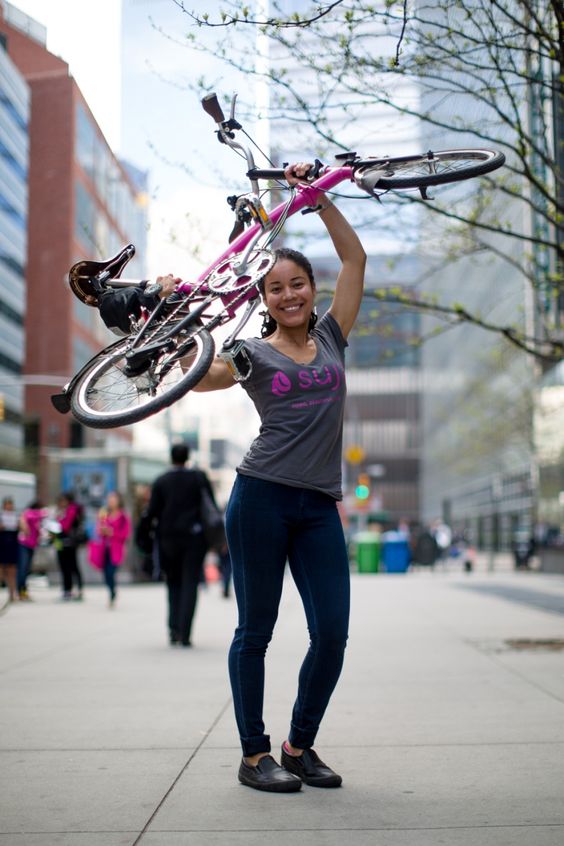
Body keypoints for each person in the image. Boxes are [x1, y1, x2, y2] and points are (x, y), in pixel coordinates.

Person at [188, 162, 367, 792]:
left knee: (333, 634)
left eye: (296, 285)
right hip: (260, 497)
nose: (288, 295)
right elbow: (203, 378)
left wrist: (318, 200)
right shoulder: (253, 352)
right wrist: (185, 336)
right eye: (274, 289)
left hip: (318, 506)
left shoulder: (332, 337)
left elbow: (355, 261)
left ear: (310, 289)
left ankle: (298, 745)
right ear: (262, 300)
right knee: (255, 630)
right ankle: (252, 754)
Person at [147, 443, 216, 647]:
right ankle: (185, 633)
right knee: (190, 583)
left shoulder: (161, 481)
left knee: (173, 583)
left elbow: (152, 512)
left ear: (171, 458)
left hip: (168, 538)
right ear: (188, 457)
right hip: (194, 538)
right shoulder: (198, 477)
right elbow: (210, 506)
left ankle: (173, 629)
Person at [96, 491, 131, 607]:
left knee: (110, 572)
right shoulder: (104, 514)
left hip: (116, 549)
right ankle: (112, 590)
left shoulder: (123, 517)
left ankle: (112, 593)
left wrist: (112, 532)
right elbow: (99, 530)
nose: (111, 502)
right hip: (104, 549)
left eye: (113, 499)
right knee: (105, 574)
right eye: (109, 499)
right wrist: (103, 530)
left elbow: (125, 534)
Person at [54, 492, 85, 601]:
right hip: (60, 543)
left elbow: (65, 526)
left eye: (63, 501)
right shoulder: (60, 511)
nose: (61, 503)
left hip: (70, 543)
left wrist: (57, 521)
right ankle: (67, 589)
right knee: (63, 567)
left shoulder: (71, 510)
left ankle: (79, 588)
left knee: (73, 566)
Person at [17, 499, 46, 600]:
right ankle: (20, 591)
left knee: (27, 569)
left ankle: (23, 591)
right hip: (24, 543)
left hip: (32, 545)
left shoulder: (37, 516)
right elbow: (22, 520)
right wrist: (25, 528)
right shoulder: (30, 513)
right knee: (23, 568)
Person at [0, 497, 20, 603]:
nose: (9, 507)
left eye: (10, 504)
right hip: (2, 545)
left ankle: (12, 594)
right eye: (7, 505)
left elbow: (23, 529)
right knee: (1, 571)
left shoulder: (16, 516)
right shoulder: (1, 516)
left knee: (12, 571)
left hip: (12, 545)